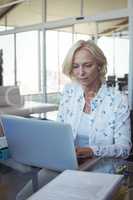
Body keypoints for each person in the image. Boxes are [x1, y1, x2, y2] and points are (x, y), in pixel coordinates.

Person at [57, 40, 131, 158]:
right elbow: (58, 133)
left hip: (102, 169)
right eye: (76, 66)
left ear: (99, 66)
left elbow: (125, 149)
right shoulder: (69, 93)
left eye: (87, 65)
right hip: (70, 163)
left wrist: (92, 150)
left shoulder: (118, 100)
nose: (81, 72)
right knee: (42, 175)